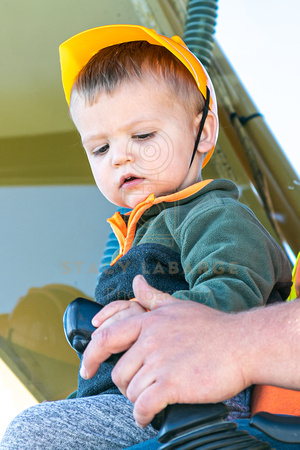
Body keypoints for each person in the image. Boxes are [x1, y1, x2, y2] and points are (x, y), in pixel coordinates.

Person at [1, 24, 292, 449]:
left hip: (206, 402)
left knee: (30, 435)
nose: (120, 156)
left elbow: (234, 294)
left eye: (142, 136)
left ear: (203, 133)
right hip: (149, 399)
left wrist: (155, 319)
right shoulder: (138, 234)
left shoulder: (212, 214)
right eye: (100, 148)